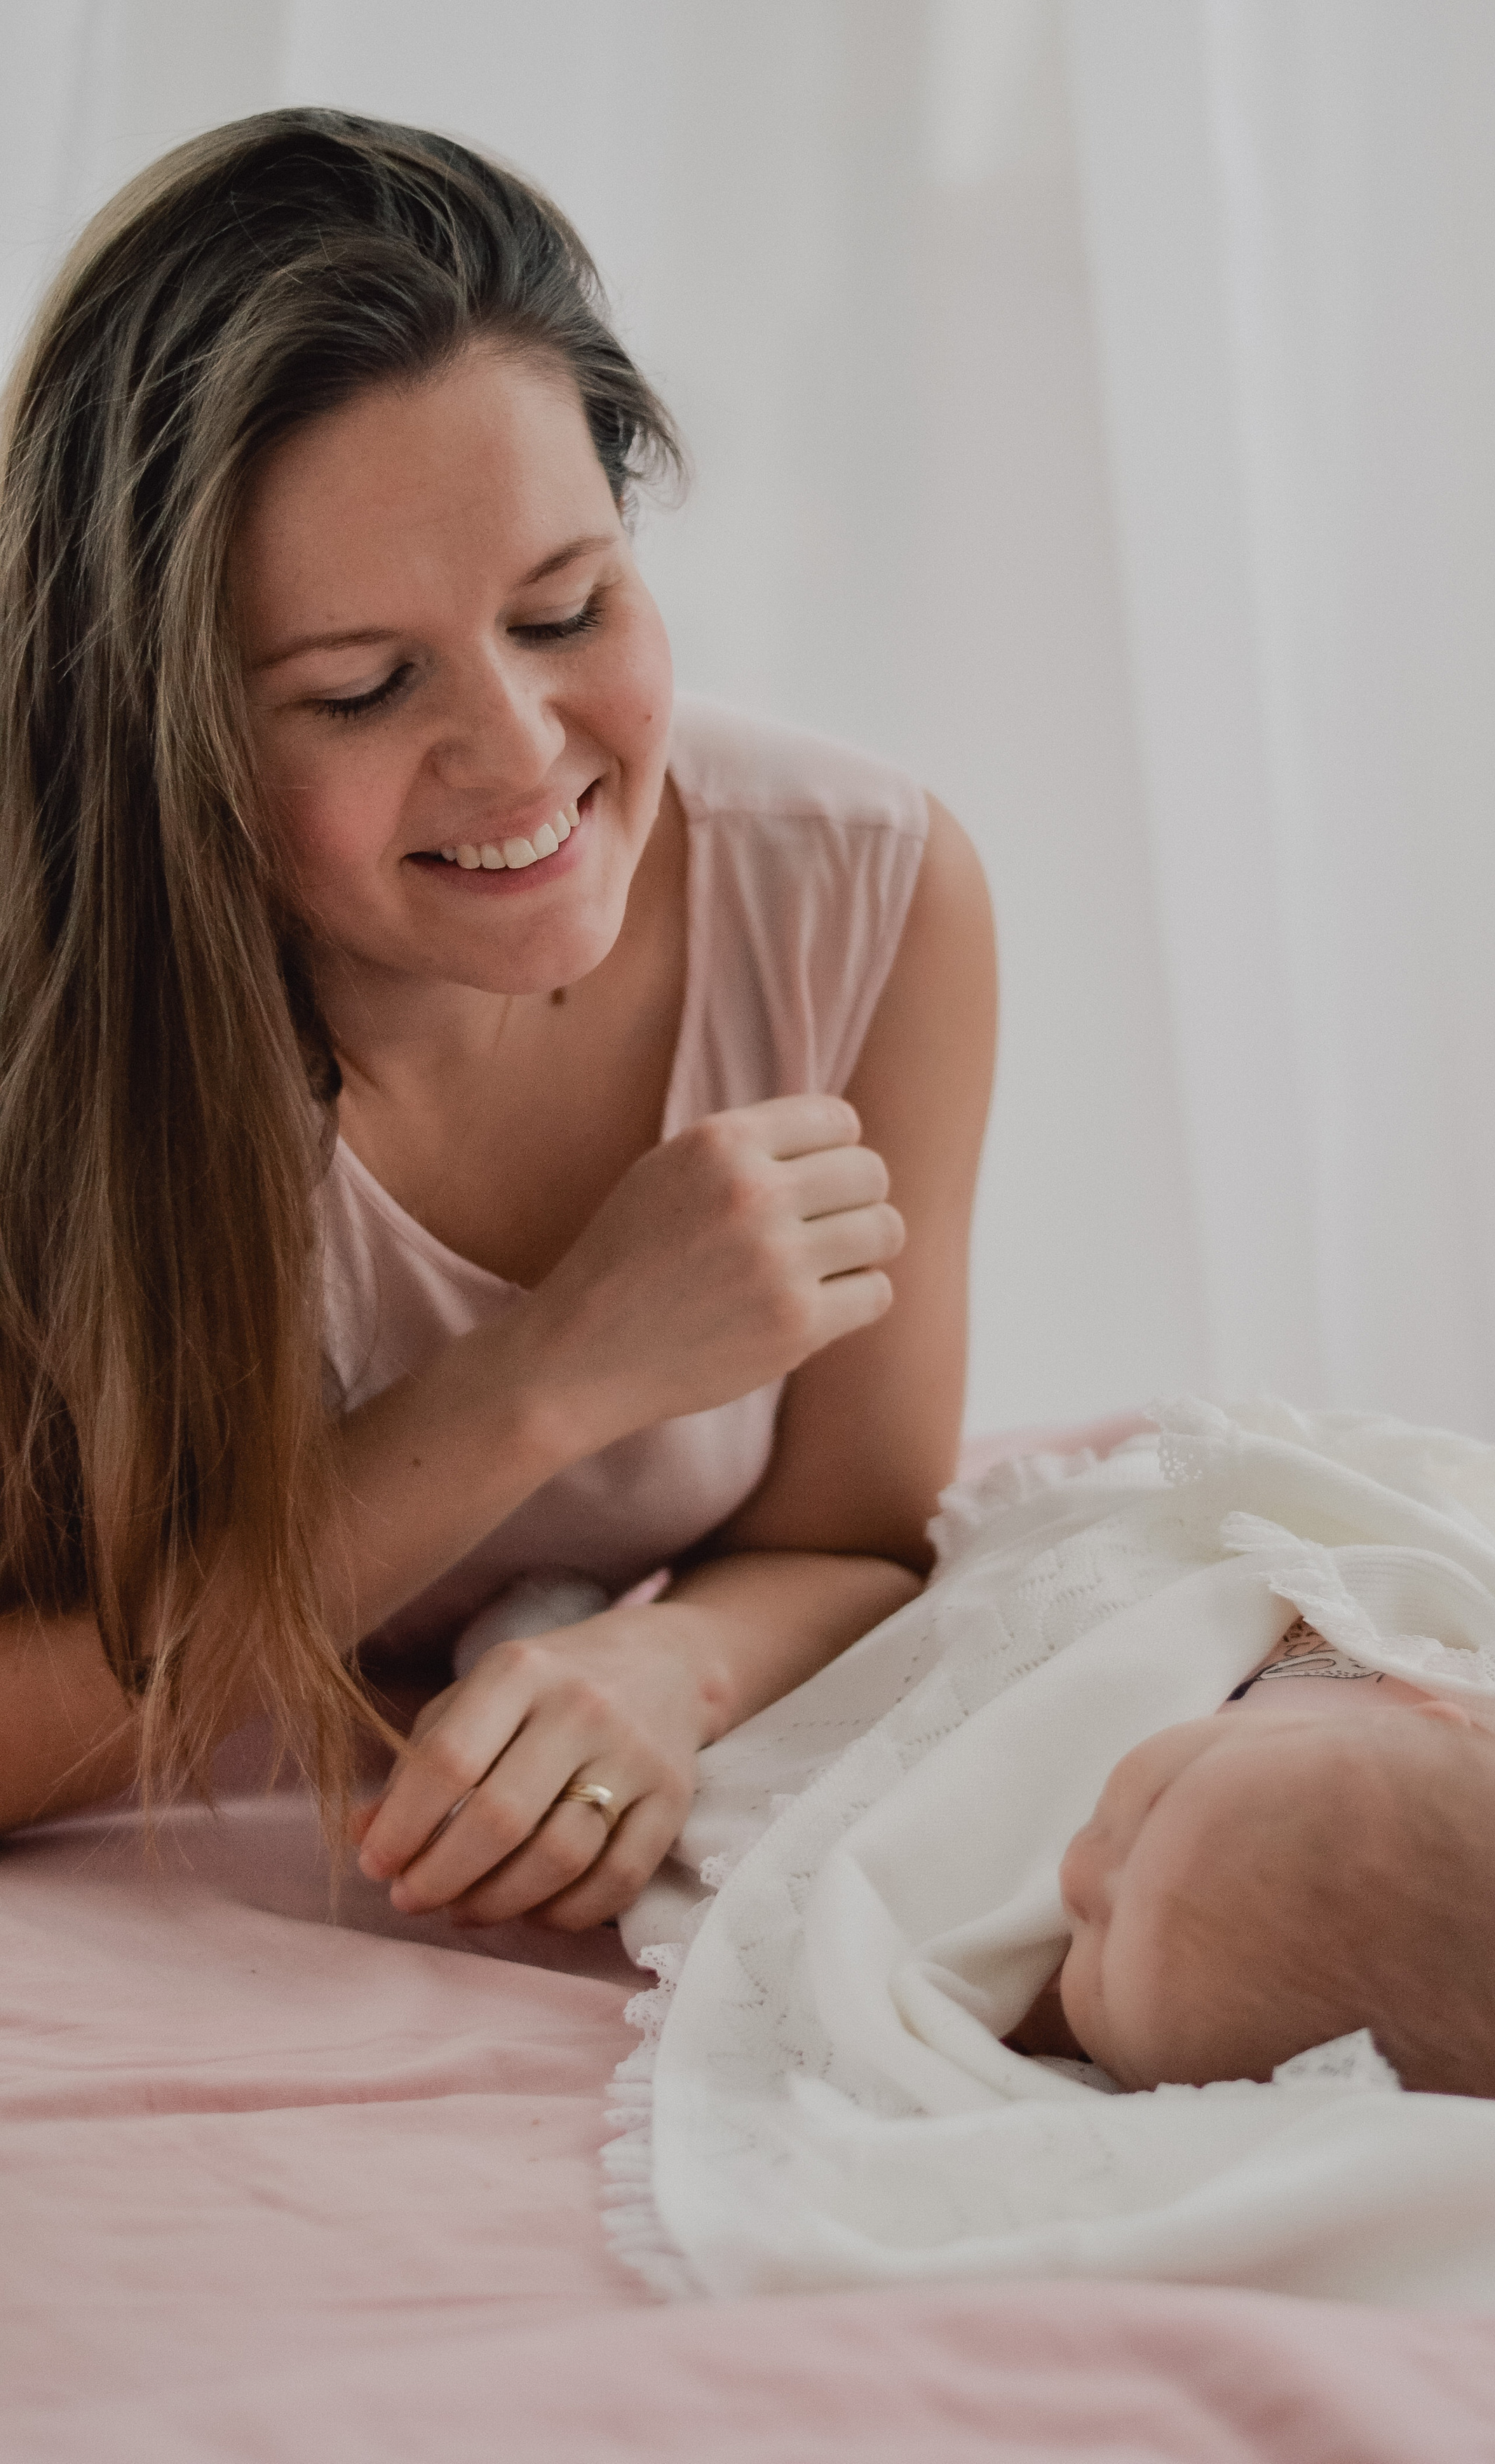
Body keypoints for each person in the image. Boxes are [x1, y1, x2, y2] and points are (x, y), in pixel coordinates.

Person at [0, 109, 996, 1938]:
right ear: (164, 727)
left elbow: (856, 1540)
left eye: (568, 607)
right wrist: (550, 1378)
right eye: (364, 688)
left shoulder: (867, 898)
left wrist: (673, 1672)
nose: (524, 755)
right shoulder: (42, 1015)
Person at [1009, 1623, 1495, 2107]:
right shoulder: (1392, 1693)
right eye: (1159, 1801)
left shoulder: (1162, 2021)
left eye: (1095, 1979)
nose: (1077, 1871)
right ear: (1426, 1724)